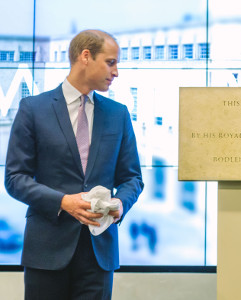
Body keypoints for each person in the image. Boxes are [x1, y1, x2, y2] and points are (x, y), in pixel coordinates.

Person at [5, 29, 144, 299]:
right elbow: (15, 178)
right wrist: (63, 201)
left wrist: (121, 203)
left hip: (99, 252)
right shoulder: (33, 109)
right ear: (85, 56)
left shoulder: (119, 114)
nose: (116, 72)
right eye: (111, 62)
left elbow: (132, 178)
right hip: (46, 249)